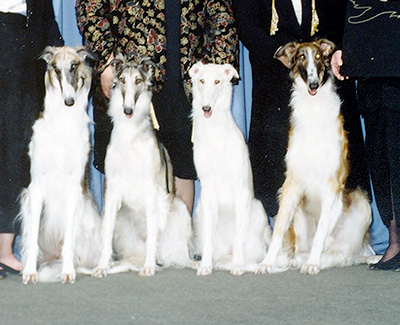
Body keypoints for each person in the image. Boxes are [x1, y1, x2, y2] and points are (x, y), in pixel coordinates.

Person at [75, 0, 238, 215]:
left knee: (182, 169)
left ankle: (179, 246)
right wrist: (106, 61)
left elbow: (222, 19)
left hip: (184, 82)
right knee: (120, 171)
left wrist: (215, 75)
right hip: (129, 79)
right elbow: (89, 8)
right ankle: (119, 246)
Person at [231, 0, 370, 218]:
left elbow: (341, 15)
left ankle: (342, 224)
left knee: (338, 156)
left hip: (324, 73)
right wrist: (278, 52)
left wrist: (325, 51)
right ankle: (286, 229)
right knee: (277, 155)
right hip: (275, 74)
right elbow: (246, 25)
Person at [331, 0, 400, 270]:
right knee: (380, 159)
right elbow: (345, 12)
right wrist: (341, 48)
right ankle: (395, 241)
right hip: (370, 71)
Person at [0, 0, 63, 278]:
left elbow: (46, 18)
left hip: (26, 53)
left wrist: (60, 49)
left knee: (18, 153)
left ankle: (5, 250)